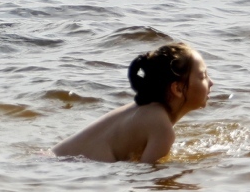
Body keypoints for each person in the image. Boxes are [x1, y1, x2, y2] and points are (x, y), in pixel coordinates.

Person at [53, 43, 211, 162]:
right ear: (177, 88)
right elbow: (148, 178)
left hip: (51, 160)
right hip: (64, 168)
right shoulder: (162, 129)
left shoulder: (145, 110)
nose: (211, 83)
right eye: (203, 76)